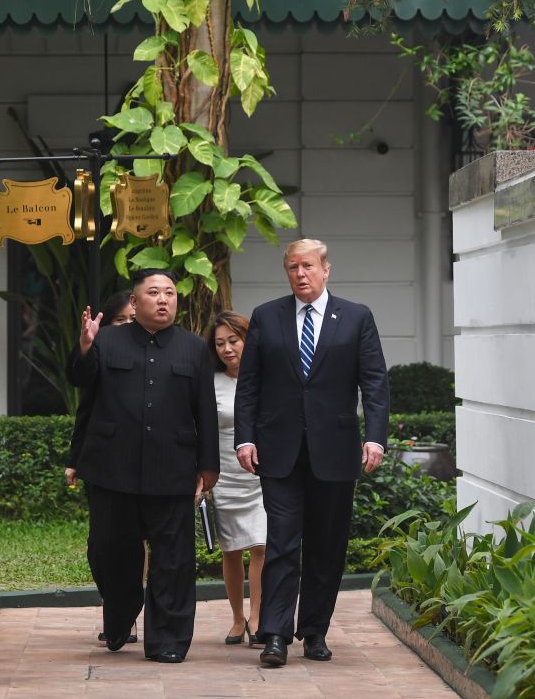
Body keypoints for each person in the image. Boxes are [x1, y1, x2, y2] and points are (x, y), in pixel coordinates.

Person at [234, 239, 389, 667]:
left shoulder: (356, 317)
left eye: (307, 266)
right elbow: (249, 384)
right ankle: (276, 635)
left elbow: (374, 382)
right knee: (282, 541)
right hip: (278, 451)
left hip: (336, 451)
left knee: (327, 545)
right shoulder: (267, 316)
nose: (299, 274)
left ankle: (315, 631)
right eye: (291, 267)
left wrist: (375, 438)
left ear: (325, 269)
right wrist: (244, 438)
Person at [66, 269, 218, 664]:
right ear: (134, 303)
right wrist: (84, 346)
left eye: (169, 292)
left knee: (173, 560)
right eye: (153, 292)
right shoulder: (106, 340)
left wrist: (209, 465)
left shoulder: (193, 348)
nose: (163, 299)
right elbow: (80, 382)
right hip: (111, 471)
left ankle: (167, 641)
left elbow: (205, 409)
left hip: (173, 469)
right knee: (110, 553)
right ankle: (119, 618)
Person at [64, 290, 135, 644]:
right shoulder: (101, 348)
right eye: (120, 320)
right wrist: (75, 460)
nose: (126, 327)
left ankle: (123, 615)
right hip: (104, 462)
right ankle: (117, 603)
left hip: (145, 465)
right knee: (101, 545)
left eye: (132, 321)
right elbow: (84, 399)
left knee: (135, 545)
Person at [204, 311, 266, 649]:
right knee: (231, 551)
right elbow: (202, 432)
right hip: (224, 476)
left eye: (234, 340)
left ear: (248, 339)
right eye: (220, 343)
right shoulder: (209, 382)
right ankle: (237, 618)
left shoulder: (266, 378)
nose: (228, 349)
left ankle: (257, 617)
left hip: (262, 476)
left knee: (262, 546)